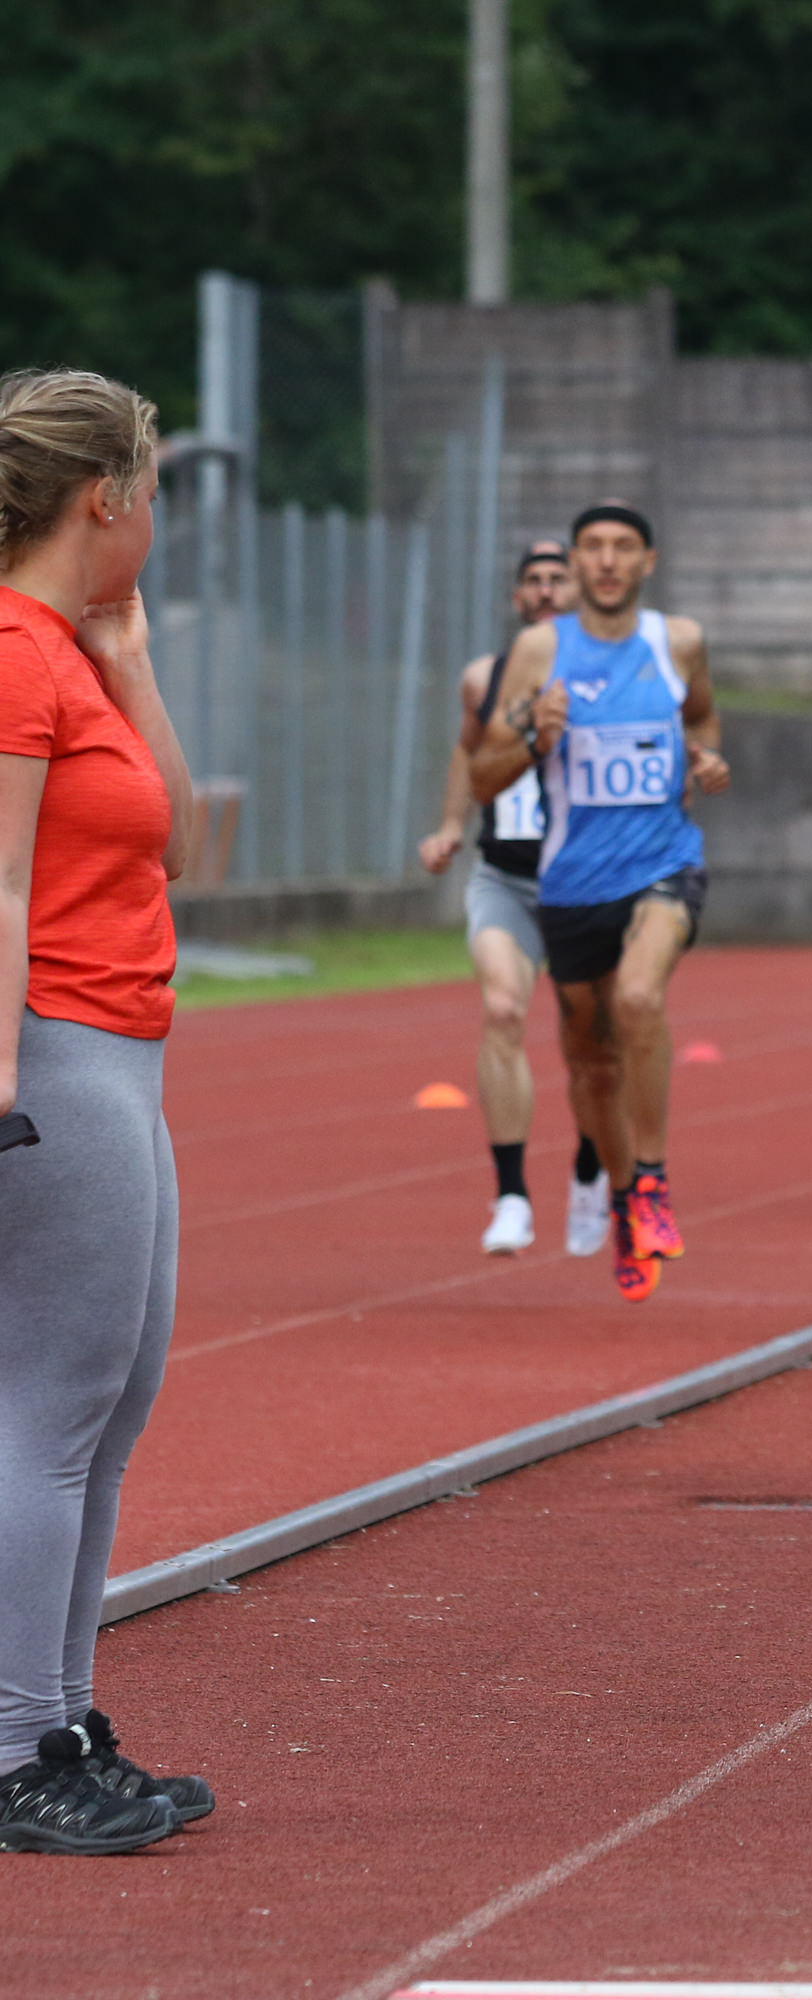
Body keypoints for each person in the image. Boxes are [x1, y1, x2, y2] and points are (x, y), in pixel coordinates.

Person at [0, 367, 211, 1854]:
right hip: (56, 1051)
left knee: (109, 1405)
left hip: (124, 1051)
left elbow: (179, 843)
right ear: (107, 497)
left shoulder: (74, 651)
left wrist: (131, 655)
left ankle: (61, 1721)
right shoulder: (13, 652)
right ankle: (17, 1748)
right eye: (155, 492)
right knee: (50, 1408)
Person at [471, 501, 729, 1302]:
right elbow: (483, 775)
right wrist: (532, 737)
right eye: (593, 547)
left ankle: (650, 1179)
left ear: (648, 561)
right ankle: (621, 1196)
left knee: (640, 997)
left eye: (623, 547)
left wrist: (707, 760)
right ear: (576, 562)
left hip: (664, 865)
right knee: (590, 1066)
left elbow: (702, 715)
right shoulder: (539, 651)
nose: (608, 561)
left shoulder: (677, 641)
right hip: (572, 883)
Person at [419, 539, 607, 1257]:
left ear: (578, 591)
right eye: (534, 580)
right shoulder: (484, 678)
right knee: (502, 1009)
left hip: (586, 881)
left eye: (559, 578)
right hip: (506, 876)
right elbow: (468, 753)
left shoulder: (607, 674)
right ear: (517, 597)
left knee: (592, 1039)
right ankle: (511, 1196)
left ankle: (591, 1162)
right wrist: (449, 827)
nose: (547, 589)